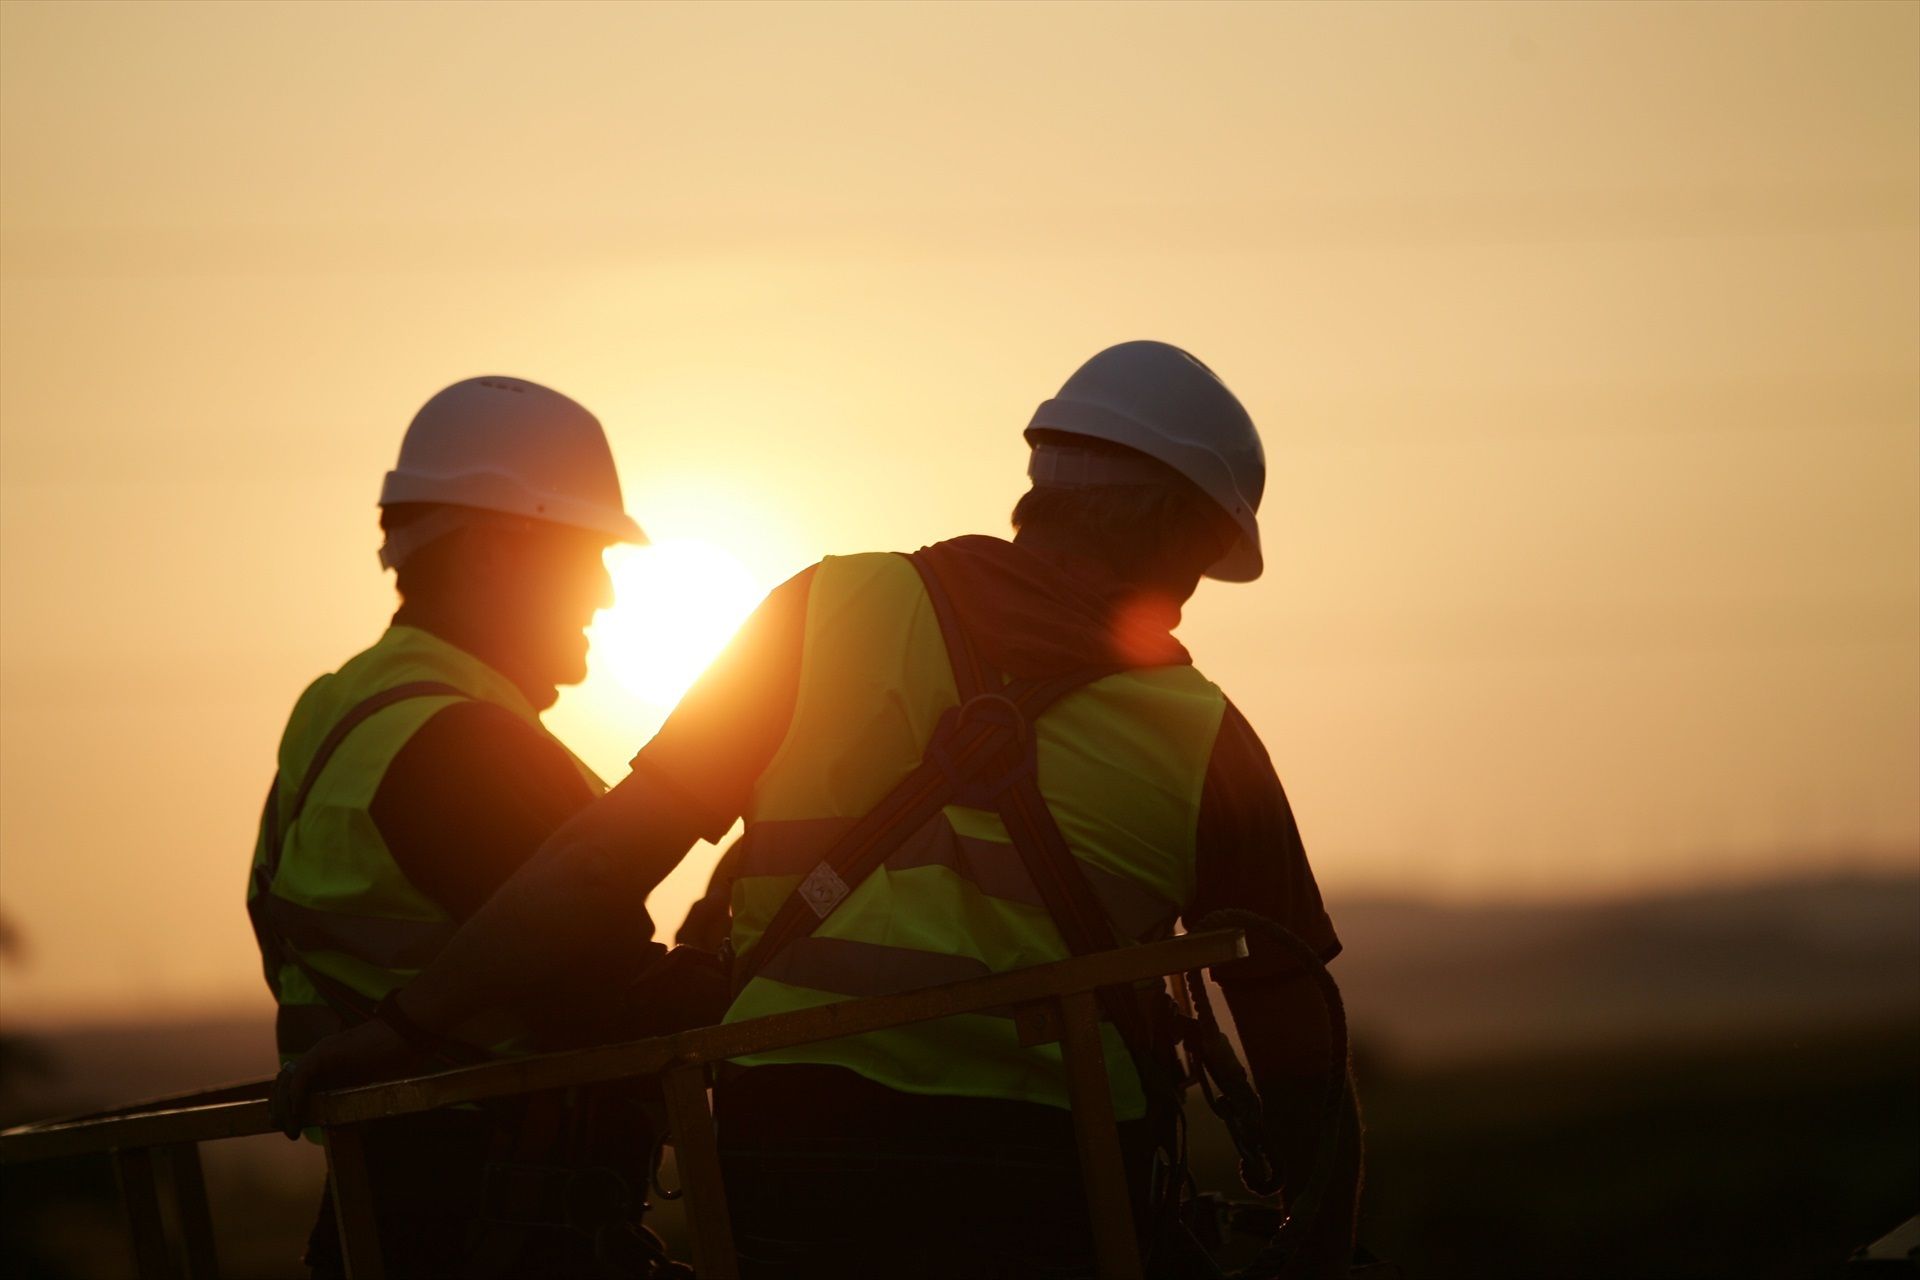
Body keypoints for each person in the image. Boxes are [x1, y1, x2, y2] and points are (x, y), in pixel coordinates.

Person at [278, 342, 1362, 1278]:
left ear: (1040, 488)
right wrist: (1324, 1231)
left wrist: (404, 1027)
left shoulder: (823, 605)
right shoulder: (1210, 736)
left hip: (788, 1173)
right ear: (1182, 539)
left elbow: (601, 860)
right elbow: (1292, 1024)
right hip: (1060, 1189)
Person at [248, 375, 705, 1279]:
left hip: (386, 1214)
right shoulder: (463, 745)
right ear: (499, 552)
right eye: (589, 554)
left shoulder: (345, 708)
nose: (607, 595)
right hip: (497, 1224)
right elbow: (615, 1002)